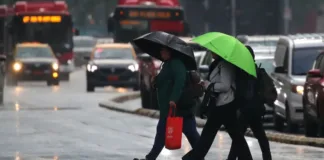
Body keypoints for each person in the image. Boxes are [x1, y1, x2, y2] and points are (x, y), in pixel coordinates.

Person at [182, 50, 253, 160]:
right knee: (235, 136)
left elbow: (225, 86)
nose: (211, 53)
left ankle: (192, 158)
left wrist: (209, 85)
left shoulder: (225, 65)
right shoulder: (219, 64)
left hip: (224, 104)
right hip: (222, 104)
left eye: (213, 51)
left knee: (209, 135)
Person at [134, 48, 200, 160]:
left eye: (163, 51)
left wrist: (174, 99)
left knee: (192, 135)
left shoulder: (176, 64)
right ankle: (150, 158)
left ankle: (198, 155)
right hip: (169, 108)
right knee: (162, 134)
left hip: (177, 107)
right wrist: (155, 80)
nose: (161, 53)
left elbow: (180, 82)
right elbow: (163, 81)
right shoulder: (167, 64)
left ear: (170, 52)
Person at [227, 45, 272, 160]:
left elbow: (237, 91)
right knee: (262, 139)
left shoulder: (239, 71)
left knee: (238, 139)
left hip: (244, 110)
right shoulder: (257, 71)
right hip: (255, 110)